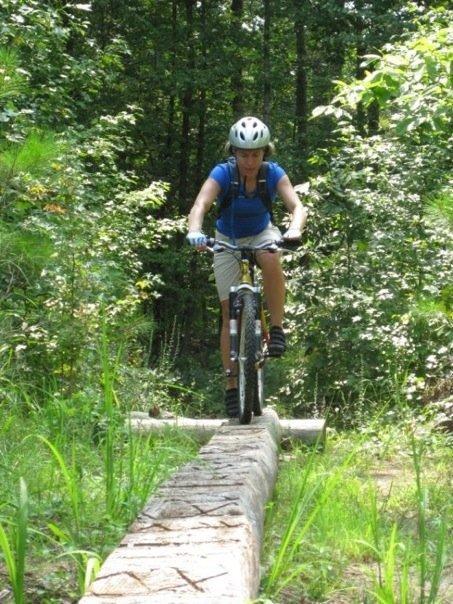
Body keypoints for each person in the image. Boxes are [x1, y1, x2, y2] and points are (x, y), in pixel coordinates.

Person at [187, 116, 308, 416]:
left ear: (265, 152)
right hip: (227, 238)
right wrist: (194, 230)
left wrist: (295, 229)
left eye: (256, 154)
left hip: (261, 232)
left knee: (270, 257)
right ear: (234, 152)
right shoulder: (223, 173)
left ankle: (277, 328)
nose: (250, 160)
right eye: (244, 154)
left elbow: (297, 206)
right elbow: (200, 205)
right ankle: (231, 384)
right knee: (229, 310)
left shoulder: (272, 174)